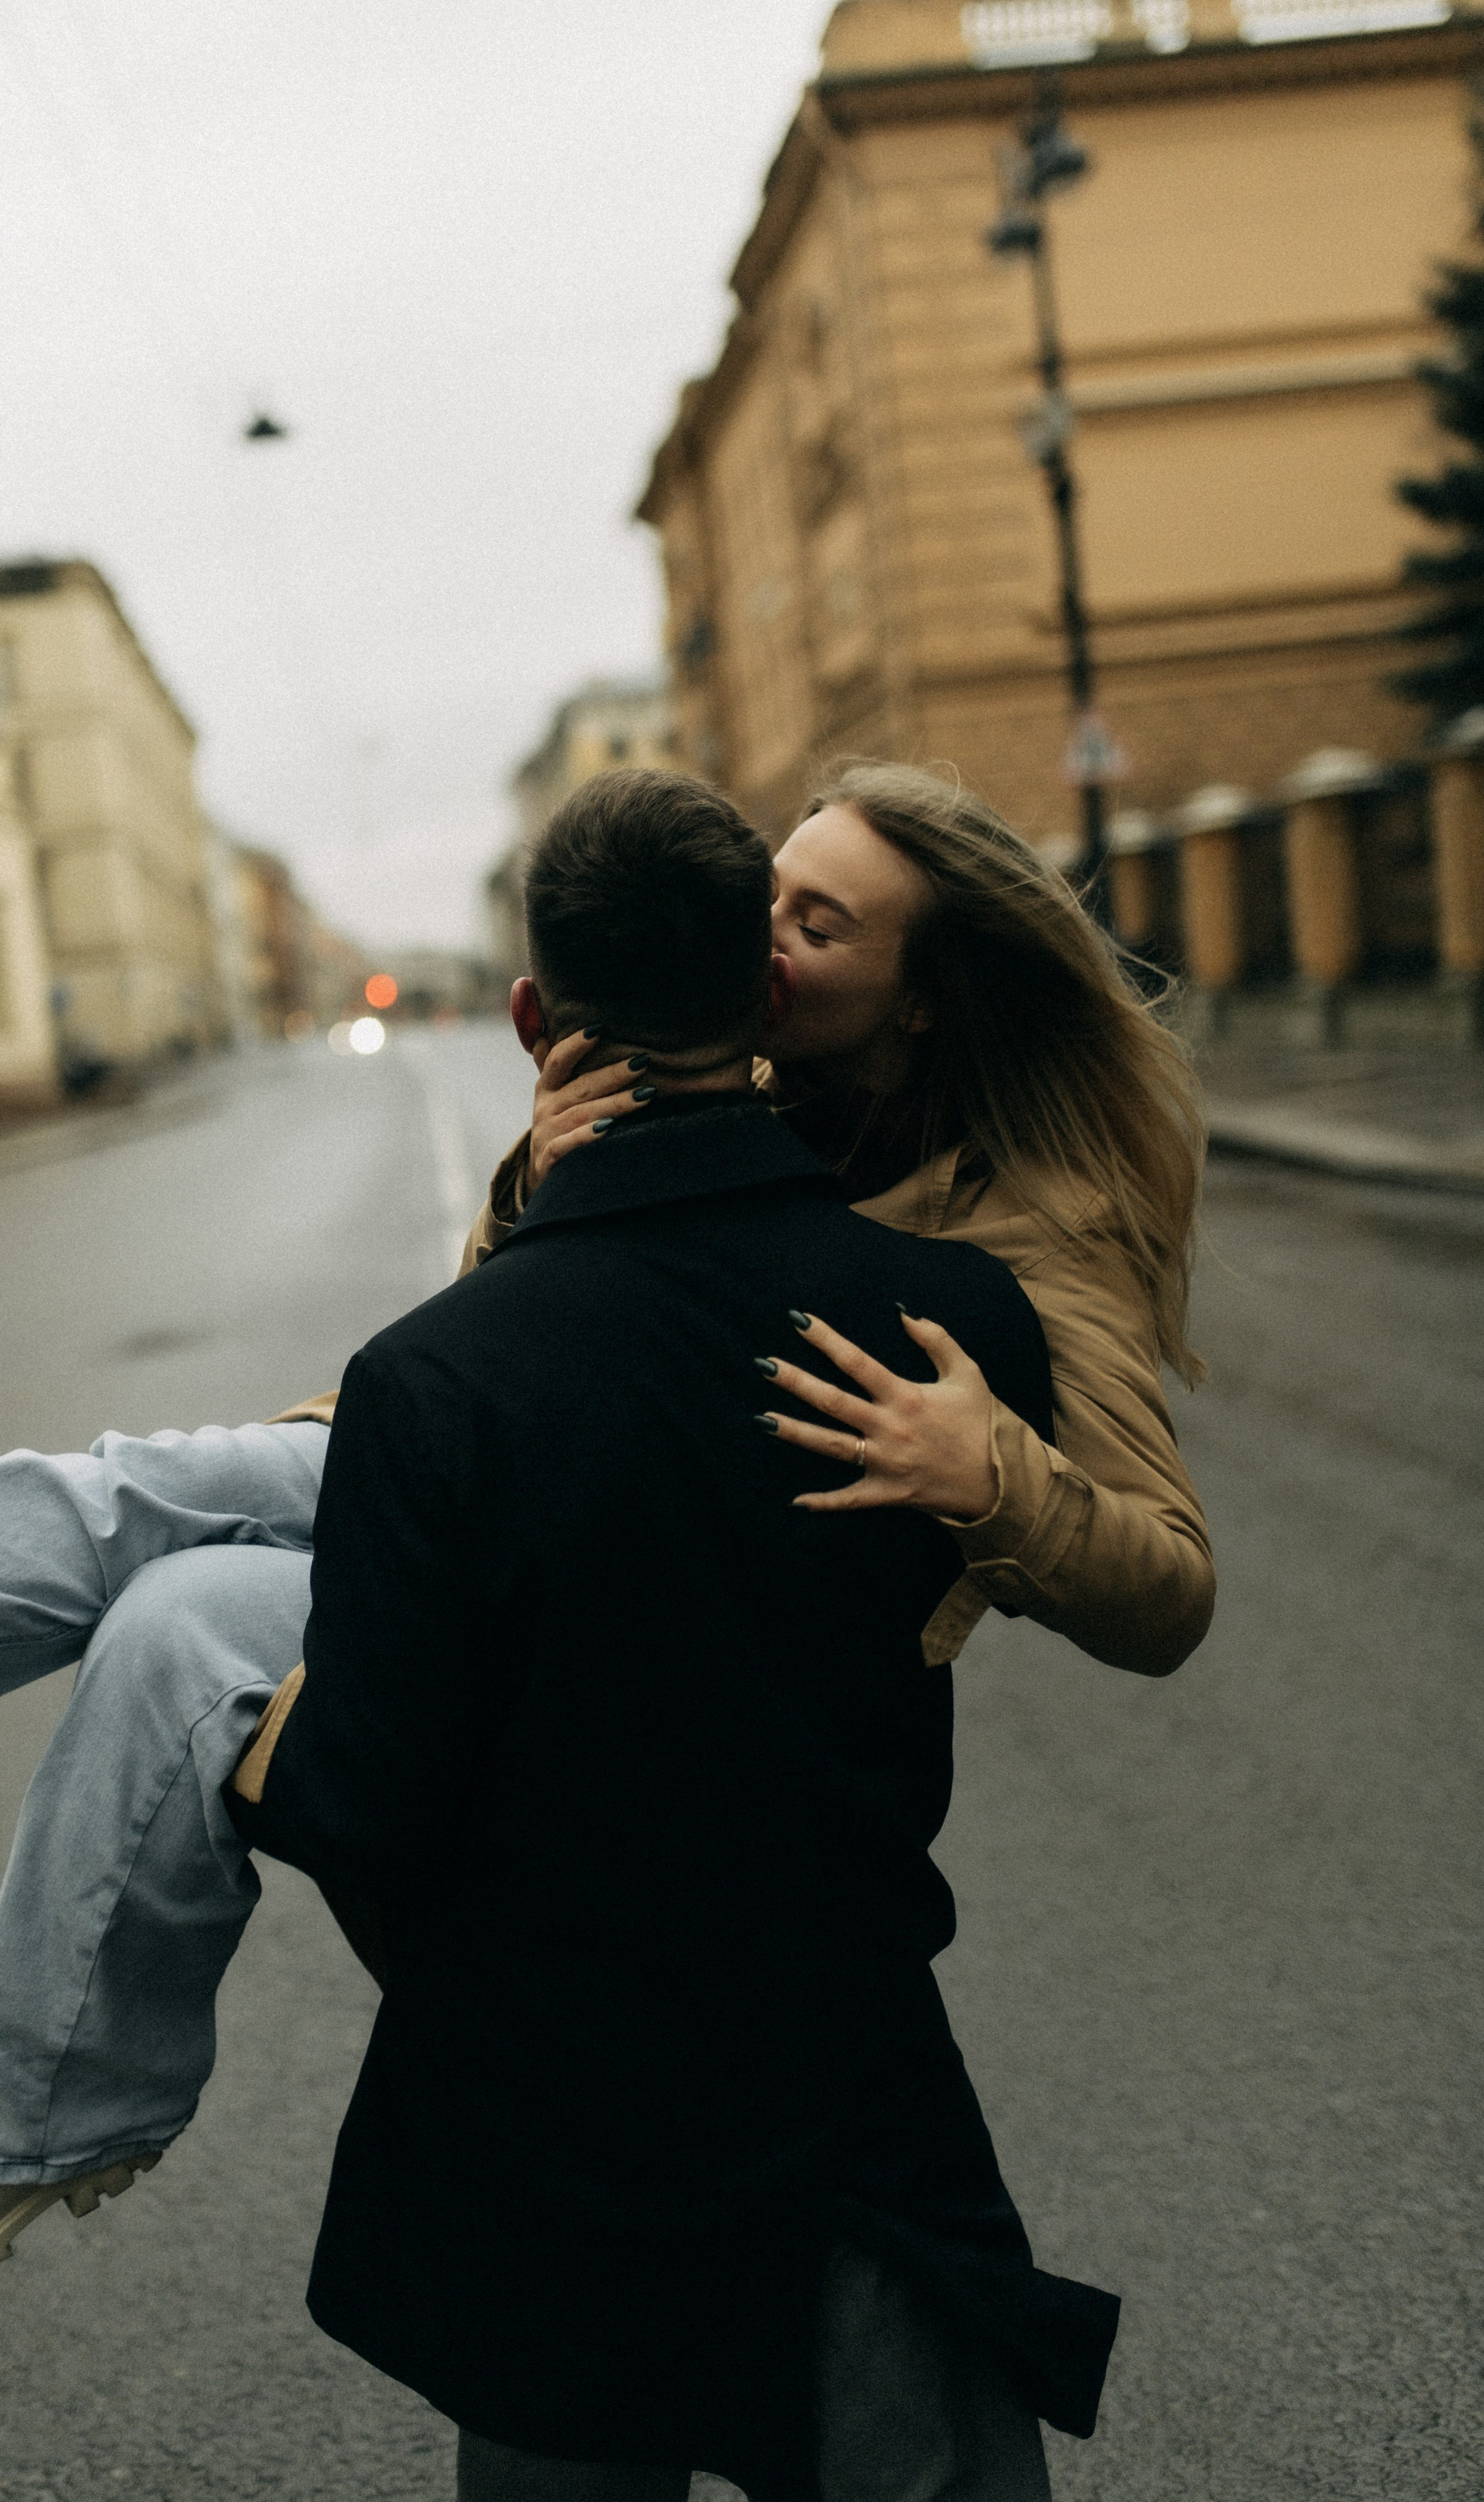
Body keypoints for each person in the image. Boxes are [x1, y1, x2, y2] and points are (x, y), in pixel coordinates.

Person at [0, 761, 1211, 2336]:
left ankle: (27, 2122)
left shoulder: (1034, 1222)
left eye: (820, 920)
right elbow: (515, 1332)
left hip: (638, 1587)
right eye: (768, 898)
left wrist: (989, 1470)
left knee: (175, 1609)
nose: (770, 937)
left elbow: (1164, 1589)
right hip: (445, 1469)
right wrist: (542, 1181)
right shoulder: (701, 1079)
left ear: (921, 998)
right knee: (108, 1508)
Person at [230, 763, 1112, 2498]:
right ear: (764, 991)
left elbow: (368, 1810)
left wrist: (241, 1737)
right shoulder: (952, 1326)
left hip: (548, 2137)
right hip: (845, 2098)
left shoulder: (438, 1380)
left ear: (534, 1015)